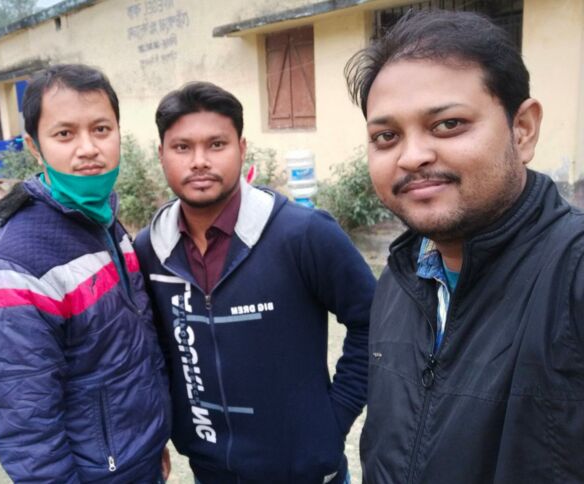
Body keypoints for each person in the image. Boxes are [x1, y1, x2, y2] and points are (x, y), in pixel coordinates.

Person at [345, 9, 584, 483]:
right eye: (386, 136)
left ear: (522, 129)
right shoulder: (400, 279)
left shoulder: (572, 274)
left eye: (448, 124)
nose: (412, 156)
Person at [133, 81, 376, 483]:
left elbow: (374, 321)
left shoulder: (302, 234)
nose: (199, 161)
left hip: (306, 473)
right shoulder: (148, 250)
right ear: (161, 154)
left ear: (242, 149)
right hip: (209, 471)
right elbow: (155, 351)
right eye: (182, 147)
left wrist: (332, 420)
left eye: (216, 144)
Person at [0, 64, 171, 483]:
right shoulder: (12, 269)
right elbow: (28, 428)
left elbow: (125, 351)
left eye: (101, 129)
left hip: (137, 459)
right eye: (64, 134)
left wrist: (150, 441)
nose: (88, 148)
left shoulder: (103, 220)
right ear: (34, 147)